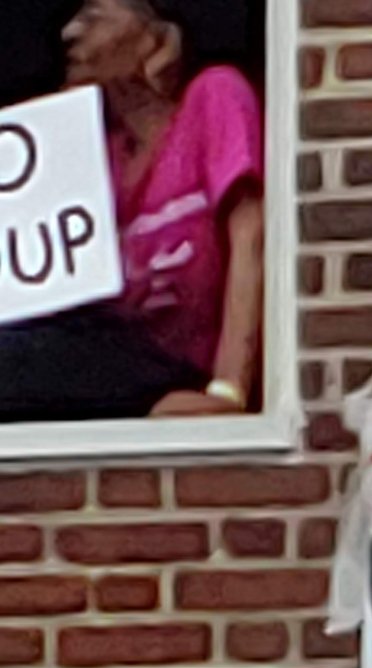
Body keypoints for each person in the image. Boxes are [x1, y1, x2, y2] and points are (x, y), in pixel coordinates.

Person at [0, 0, 263, 421]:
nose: (69, 32)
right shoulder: (98, 155)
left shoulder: (212, 99)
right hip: (109, 368)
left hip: (174, 375)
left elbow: (252, 236)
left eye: (93, 18)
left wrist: (228, 391)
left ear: (155, 40)